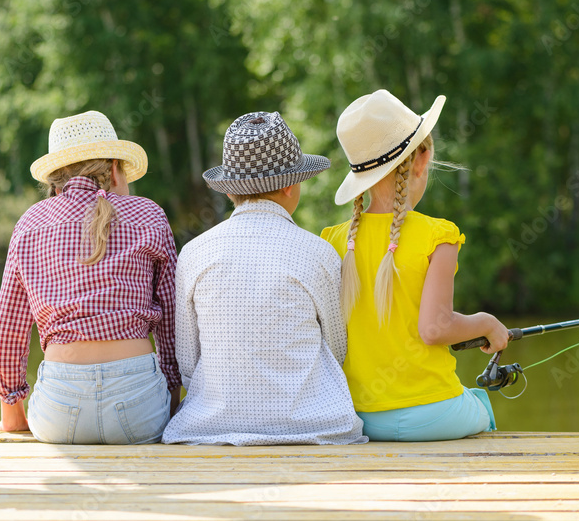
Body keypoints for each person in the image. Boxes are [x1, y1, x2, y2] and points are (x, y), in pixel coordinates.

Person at [162, 112, 366, 446]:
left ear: (230, 192)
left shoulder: (194, 253)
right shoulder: (318, 253)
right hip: (311, 428)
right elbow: (337, 349)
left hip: (210, 430)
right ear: (290, 184)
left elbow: (188, 362)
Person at [320, 89, 510, 441]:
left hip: (360, 418)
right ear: (421, 159)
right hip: (432, 415)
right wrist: (486, 323)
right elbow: (434, 329)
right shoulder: (439, 236)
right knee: (480, 404)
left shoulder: (333, 240)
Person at [0, 110, 180, 444]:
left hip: (58, 411)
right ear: (115, 168)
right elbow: (173, 326)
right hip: (139, 407)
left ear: (53, 179)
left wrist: (13, 417)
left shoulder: (30, 224)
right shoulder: (149, 215)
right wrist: (170, 403)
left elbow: (7, 332)